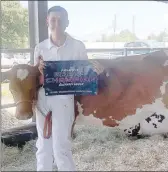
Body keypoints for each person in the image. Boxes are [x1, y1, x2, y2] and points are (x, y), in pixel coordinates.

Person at [34, 6, 104, 171]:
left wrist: (95, 71)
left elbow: (84, 73)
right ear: (47, 22)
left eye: (60, 20)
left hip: (64, 99)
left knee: (61, 147)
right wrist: (37, 68)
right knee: (43, 145)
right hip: (42, 98)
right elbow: (34, 76)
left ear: (67, 23)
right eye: (53, 19)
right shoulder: (40, 47)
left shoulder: (77, 46)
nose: (56, 23)